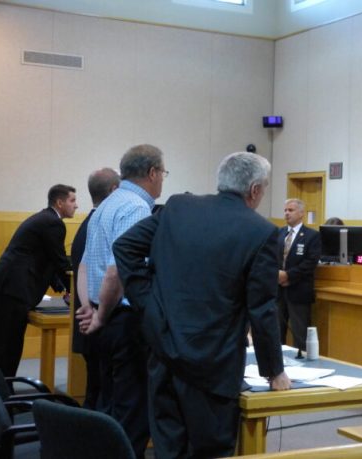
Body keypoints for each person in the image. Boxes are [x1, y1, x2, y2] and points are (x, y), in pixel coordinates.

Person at [113, 151, 291, 458]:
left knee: (168, 448)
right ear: (255, 190)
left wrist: (147, 303)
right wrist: (274, 370)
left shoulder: (178, 208)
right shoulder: (262, 232)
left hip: (163, 351)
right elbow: (262, 308)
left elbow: (125, 247)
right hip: (214, 365)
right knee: (209, 450)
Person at [76, 144, 166, 458]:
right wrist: (101, 315)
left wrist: (88, 307)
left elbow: (85, 263)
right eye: (163, 173)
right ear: (153, 173)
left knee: (107, 406)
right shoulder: (136, 208)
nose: (163, 180)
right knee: (131, 414)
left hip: (102, 313)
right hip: (122, 321)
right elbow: (118, 270)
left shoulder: (106, 205)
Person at [0, 184, 77, 376]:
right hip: (14, 289)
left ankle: (3, 393)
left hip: (7, 286)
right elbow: (60, 262)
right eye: (72, 200)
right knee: (8, 346)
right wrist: (74, 290)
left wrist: (64, 287)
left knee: (3, 344)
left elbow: (49, 260)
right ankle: (5, 397)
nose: (76, 206)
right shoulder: (53, 223)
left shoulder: (45, 219)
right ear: (59, 202)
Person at [70, 168, 120, 409]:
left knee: (97, 389)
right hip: (94, 319)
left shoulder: (90, 223)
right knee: (99, 393)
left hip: (89, 318)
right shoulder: (97, 225)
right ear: (113, 191)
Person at [277, 199, 321, 353]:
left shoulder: (312, 236)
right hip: (278, 292)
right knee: (276, 333)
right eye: (285, 210)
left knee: (300, 335)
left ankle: (302, 368)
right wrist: (277, 275)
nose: (287, 213)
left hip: (299, 291)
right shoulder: (279, 233)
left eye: (291, 210)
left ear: (301, 213)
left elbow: (310, 263)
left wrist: (288, 275)